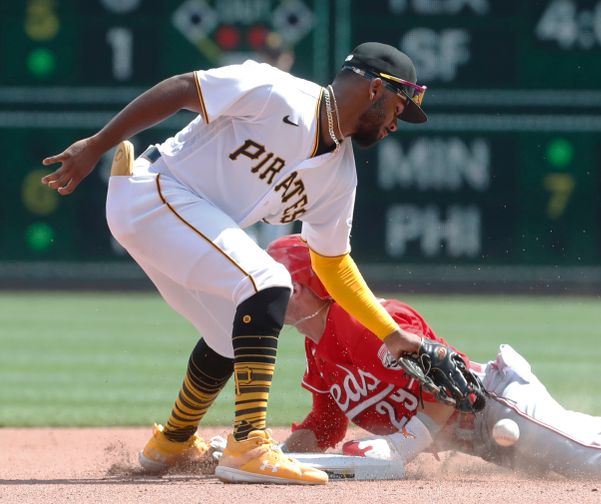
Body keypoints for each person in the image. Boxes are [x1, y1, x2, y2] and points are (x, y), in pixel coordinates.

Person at [39, 42, 429, 485]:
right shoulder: (278, 93)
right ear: (375, 88)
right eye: (399, 107)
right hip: (154, 192)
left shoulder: (339, 174)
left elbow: (333, 265)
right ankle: (249, 445)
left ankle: (174, 438)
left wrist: (391, 334)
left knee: (231, 329)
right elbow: (184, 88)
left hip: (174, 218)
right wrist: (96, 145)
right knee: (268, 282)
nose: (397, 123)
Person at [266, 234, 601, 484]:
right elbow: (325, 424)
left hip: (495, 404)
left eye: (276, 284)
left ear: (306, 283)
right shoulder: (318, 357)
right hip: (487, 436)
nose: (263, 294)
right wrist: (270, 457)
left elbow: (444, 383)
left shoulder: (364, 320)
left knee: (595, 458)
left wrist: (408, 442)